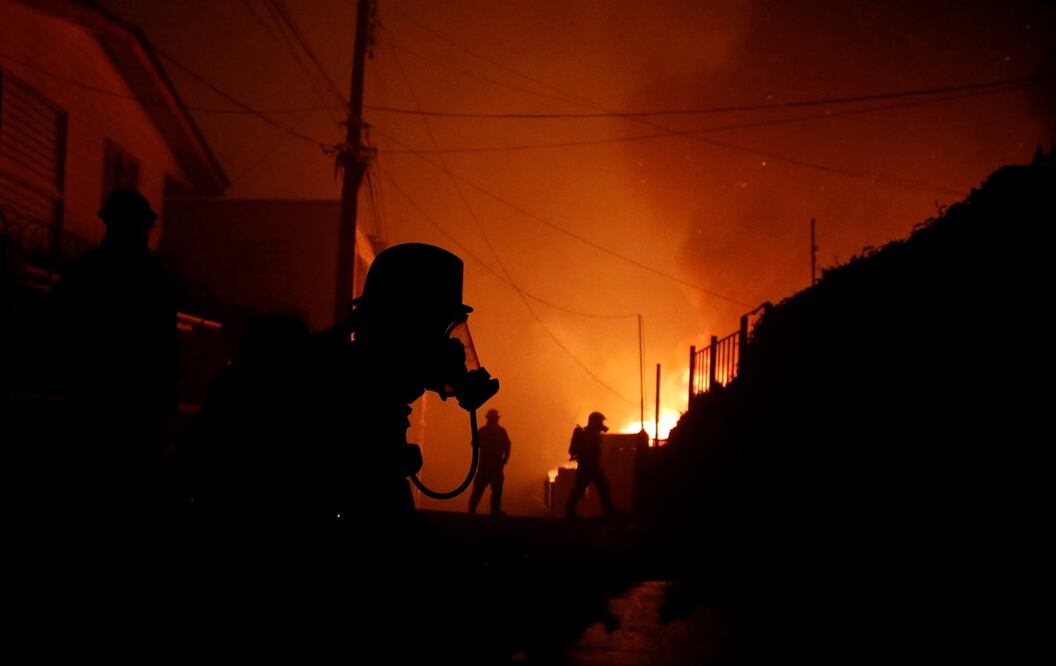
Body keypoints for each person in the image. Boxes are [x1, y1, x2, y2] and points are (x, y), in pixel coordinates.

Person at [54, 188, 178, 515]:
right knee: (135, 484)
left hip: (93, 396)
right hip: (137, 400)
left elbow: (63, 332)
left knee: (90, 480)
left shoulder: (83, 271)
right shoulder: (154, 277)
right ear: (142, 226)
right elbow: (164, 344)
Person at [565, 411, 618, 519]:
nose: (601, 424)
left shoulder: (594, 433)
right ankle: (569, 513)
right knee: (579, 490)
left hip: (593, 466)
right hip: (586, 467)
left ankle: (609, 511)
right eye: (599, 422)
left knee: (603, 487)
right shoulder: (583, 433)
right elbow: (573, 450)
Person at [468, 408, 511, 515]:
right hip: (490, 466)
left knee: (489, 490)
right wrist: (505, 458)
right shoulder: (499, 431)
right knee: (488, 490)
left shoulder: (484, 431)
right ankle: (489, 509)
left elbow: (474, 443)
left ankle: (476, 509)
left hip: (489, 466)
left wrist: (505, 458)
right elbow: (507, 445)